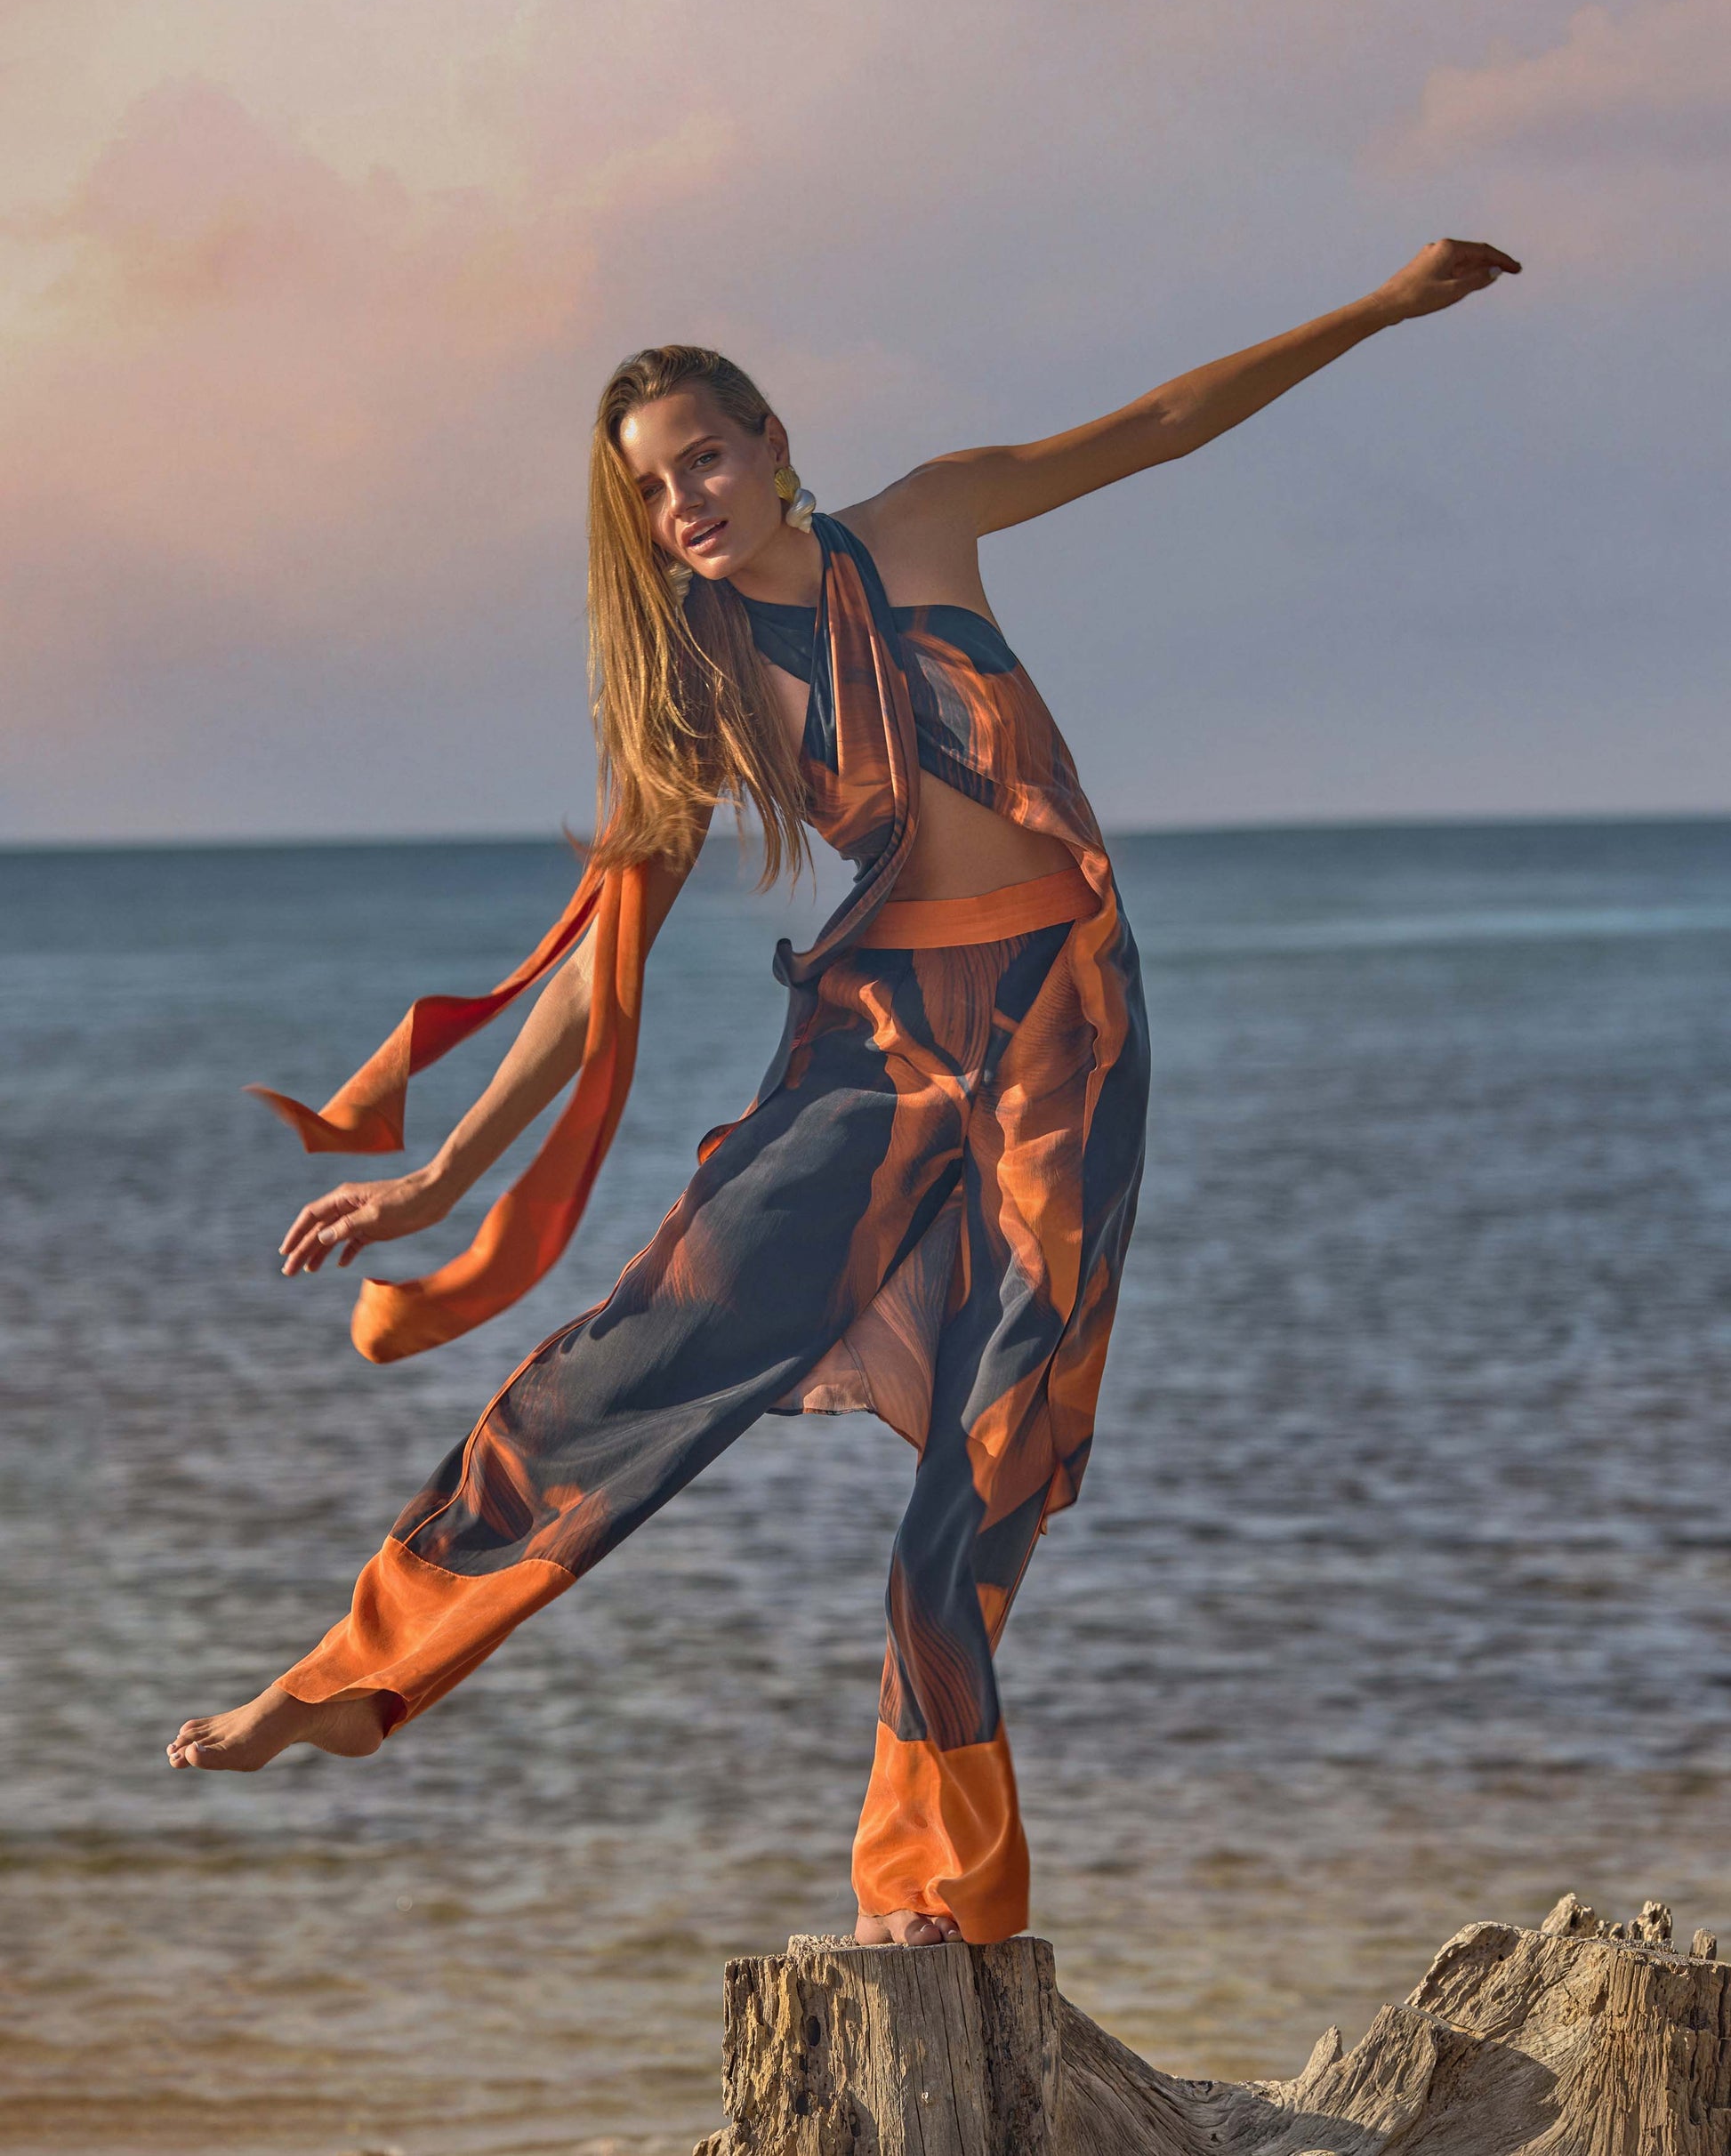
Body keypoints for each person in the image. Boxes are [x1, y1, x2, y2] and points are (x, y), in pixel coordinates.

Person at [167, 237, 1518, 1947]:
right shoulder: (695, 679)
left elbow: (1161, 423)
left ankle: (930, 1894)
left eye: (702, 458)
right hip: (875, 1047)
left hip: (1062, 1039)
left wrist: (1378, 311)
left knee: (987, 1467)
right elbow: (601, 969)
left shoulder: (927, 522)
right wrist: (441, 1183)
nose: (685, 504)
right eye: (650, 493)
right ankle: (348, 1677)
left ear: (770, 437)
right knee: (653, 1340)